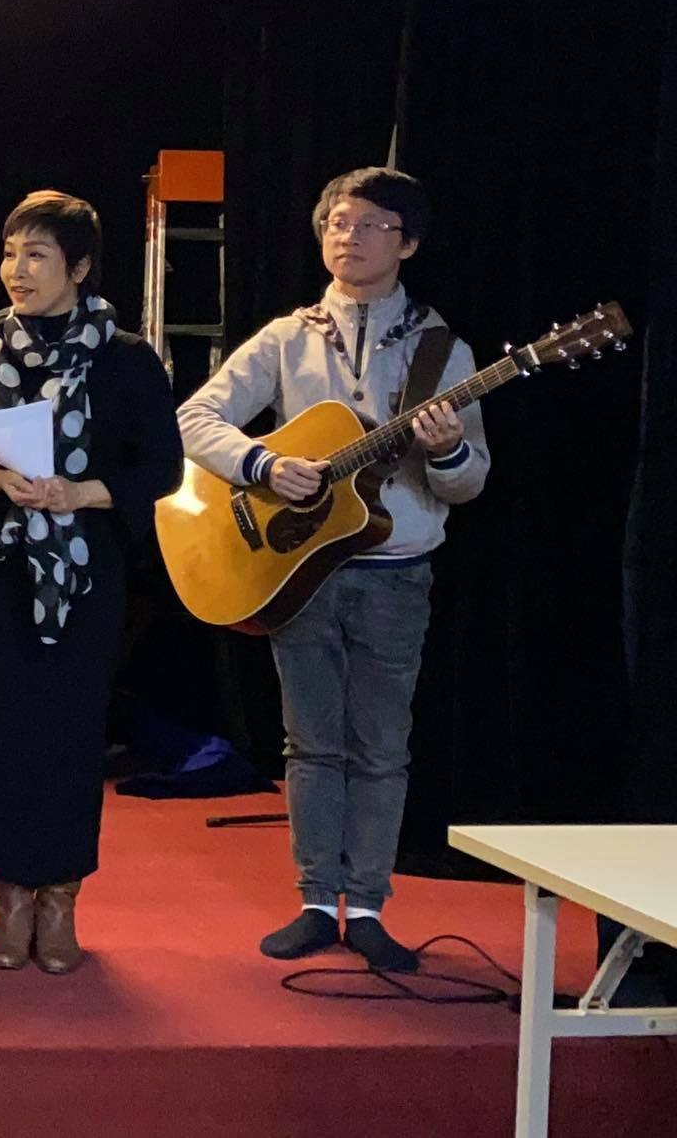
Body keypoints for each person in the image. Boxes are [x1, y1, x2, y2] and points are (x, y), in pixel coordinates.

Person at [178, 167, 489, 972]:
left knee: (381, 746)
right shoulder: (288, 337)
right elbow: (195, 418)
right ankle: (318, 901)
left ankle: (371, 906)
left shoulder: (443, 350)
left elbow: (468, 482)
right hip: (300, 570)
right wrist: (260, 465)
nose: (348, 237)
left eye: (369, 224)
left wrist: (445, 451)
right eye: (338, 223)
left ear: (407, 244)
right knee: (311, 743)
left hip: (397, 572)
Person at [0, 190, 181, 974]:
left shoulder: (124, 357)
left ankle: (61, 897)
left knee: (69, 732)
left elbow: (162, 468)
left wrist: (82, 493)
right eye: (10, 253)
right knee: (0, 732)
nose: (17, 270)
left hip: (84, 575)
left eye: (36, 255)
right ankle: (9, 899)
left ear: (79, 266)